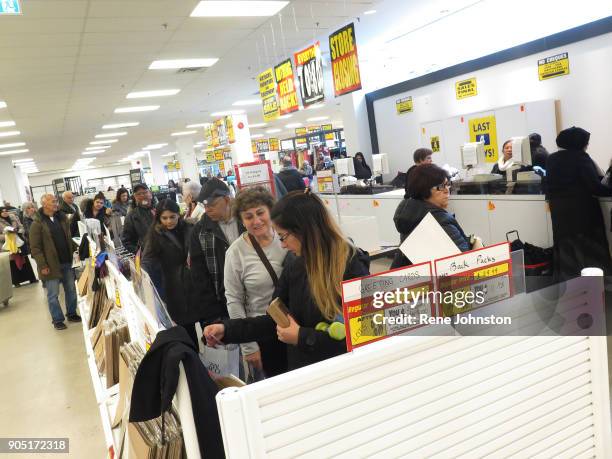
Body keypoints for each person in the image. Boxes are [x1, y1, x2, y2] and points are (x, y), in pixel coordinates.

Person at [204, 189, 370, 372]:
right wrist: (226, 330)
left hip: (343, 373)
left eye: (283, 236)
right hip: (304, 372)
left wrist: (302, 336)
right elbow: (274, 319)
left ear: (304, 230)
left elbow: (367, 331)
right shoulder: (297, 266)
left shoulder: (352, 265)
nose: (282, 244)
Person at [224, 187, 288, 378]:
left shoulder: (287, 237)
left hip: (295, 325)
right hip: (263, 334)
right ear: (242, 221)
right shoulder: (236, 253)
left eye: (260, 213)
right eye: (248, 216)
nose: (256, 221)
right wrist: (248, 346)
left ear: (271, 211)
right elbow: (234, 300)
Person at [546, 126, 612, 280]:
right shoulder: (580, 157)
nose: (586, 145)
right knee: (588, 248)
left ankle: (570, 281)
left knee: (566, 246)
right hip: (581, 210)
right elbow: (594, 186)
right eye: (585, 142)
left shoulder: (552, 158)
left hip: (559, 212)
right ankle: (595, 284)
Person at [142, 200, 205, 345]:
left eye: (172, 217)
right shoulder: (155, 236)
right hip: (175, 289)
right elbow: (147, 262)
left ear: (179, 215)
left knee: (207, 325)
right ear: (158, 218)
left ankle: (215, 363)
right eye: (164, 218)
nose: (169, 221)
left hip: (197, 284)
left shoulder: (189, 227)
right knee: (187, 332)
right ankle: (194, 361)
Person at [392, 164, 471, 268]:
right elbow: (465, 262)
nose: (447, 190)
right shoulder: (439, 220)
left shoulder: (410, 214)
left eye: (448, 184)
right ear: (424, 190)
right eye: (441, 186)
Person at [189, 178, 245, 326]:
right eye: (205, 206)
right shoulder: (199, 231)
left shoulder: (246, 221)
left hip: (255, 297)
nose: (207, 210)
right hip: (223, 304)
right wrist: (212, 314)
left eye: (212, 205)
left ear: (227, 199)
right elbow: (199, 275)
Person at [29, 194, 81, 330]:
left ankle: (71, 313)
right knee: (53, 294)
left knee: (70, 290)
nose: (56, 203)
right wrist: (42, 265)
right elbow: (35, 248)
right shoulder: (37, 223)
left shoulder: (62, 218)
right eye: (53, 202)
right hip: (50, 266)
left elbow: (68, 238)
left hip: (67, 261)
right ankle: (57, 319)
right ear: (44, 204)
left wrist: (76, 252)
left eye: (56, 201)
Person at [0, 207, 37, 287]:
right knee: (13, 263)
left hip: (19, 243)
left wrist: (19, 231)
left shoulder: (13, 217)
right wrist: (8, 236)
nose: (5, 212)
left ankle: (31, 278)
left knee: (24, 260)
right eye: (2, 212)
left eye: (6, 211)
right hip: (8, 246)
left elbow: (21, 226)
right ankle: (16, 282)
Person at [121, 183, 155, 254]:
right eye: (138, 194)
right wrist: (141, 253)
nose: (142, 195)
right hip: (148, 258)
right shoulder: (132, 216)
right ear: (135, 198)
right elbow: (126, 241)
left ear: (150, 194)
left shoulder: (160, 210)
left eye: (145, 192)